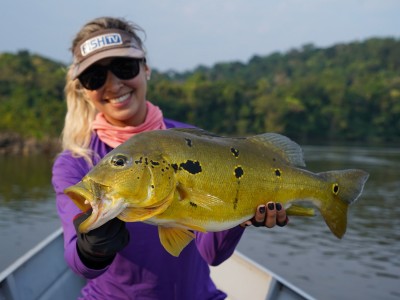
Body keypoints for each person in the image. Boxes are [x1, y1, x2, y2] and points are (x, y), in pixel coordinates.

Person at [52, 16, 288, 300]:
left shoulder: (193, 143)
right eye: (95, 77)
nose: (113, 85)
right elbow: (78, 263)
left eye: (124, 67)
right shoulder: (76, 163)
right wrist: (91, 248)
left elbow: (212, 254)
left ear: (146, 69)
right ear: (84, 90)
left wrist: (241, 217)